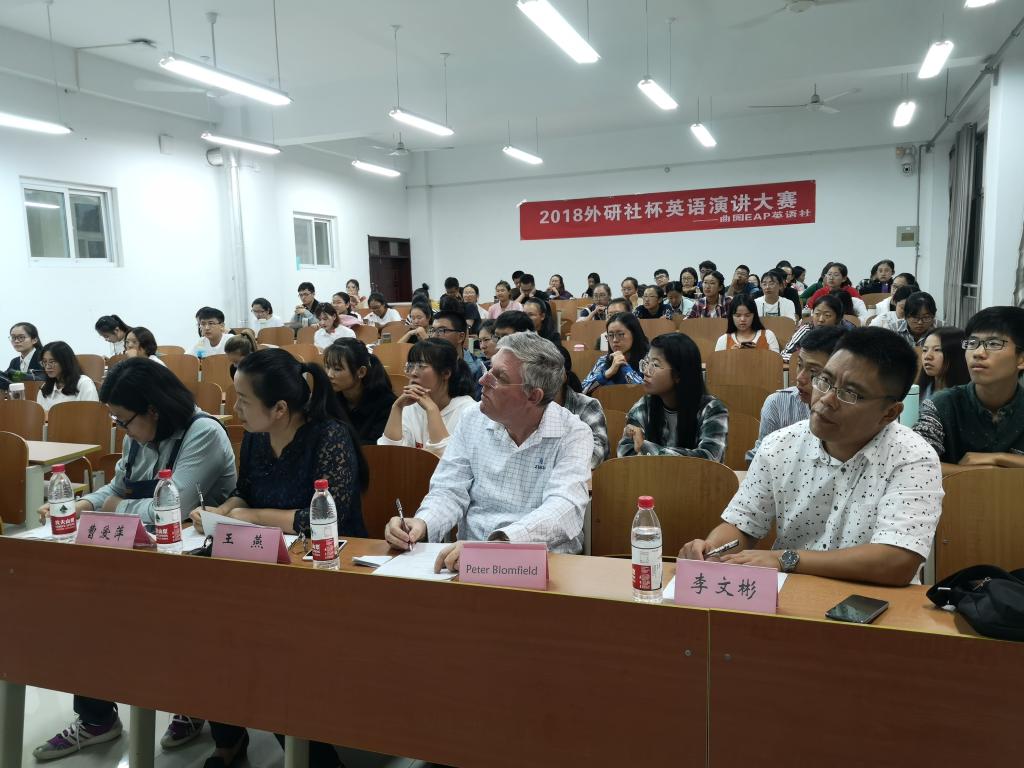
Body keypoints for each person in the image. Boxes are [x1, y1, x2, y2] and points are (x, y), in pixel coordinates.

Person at [33, 357, 236, 762]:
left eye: (124, 421)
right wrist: (81, 505)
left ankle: (196, 705)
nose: (121, 430)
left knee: (173, 623)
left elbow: (172, 508)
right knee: (86, 604)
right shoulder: (137, 436)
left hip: (200, 565)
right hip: (144, 554)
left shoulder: (203, 432)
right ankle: (96, 719)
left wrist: (111, 507)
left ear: (152, 410)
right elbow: (118, 486)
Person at [188, 349, 365, 768]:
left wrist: (252, 517)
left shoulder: (329, 436)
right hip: (264, 561)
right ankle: (228, 738)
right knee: (208, 628)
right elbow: (245, 491)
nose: (235, 408)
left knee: (270, 650)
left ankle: (312, 757)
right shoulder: (255, 435)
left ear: (280, 408)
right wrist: (222, 512)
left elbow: (327, 518)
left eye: (243, 400)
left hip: (324, 568)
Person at [680, 327, 943, 587]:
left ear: (889, 413)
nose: (826, 399)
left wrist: (787, 559)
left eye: (849, 394)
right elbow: (743, 525)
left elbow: (896, 561)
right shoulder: (779, 446)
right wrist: (712, 549)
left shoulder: (913, 459)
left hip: (875, 603)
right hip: (790, 598)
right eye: (824, 380)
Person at [383, 332, 593, 568]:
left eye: (499, 377)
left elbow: (563, 508)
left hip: (545, 562)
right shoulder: (472, 418)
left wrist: (499, 544)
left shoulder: (573, 433)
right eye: (489, 369)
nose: (483, 380)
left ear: (534, 396)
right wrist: (422, 523)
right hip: (468, 561)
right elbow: (449, 490)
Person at [913, 306, 1024, 466]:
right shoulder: (942, 405)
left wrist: (999, 458)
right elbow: (915, 464)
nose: (978, 353)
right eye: (972, 343)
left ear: (1021, 359)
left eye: (993, 343)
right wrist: (982, 472)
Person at [616, 332, 728, 462]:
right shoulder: (643, 406)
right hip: (651, 476)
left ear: (679, 374)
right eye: (646, 363)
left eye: (655, 365)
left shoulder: (712, 410)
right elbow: (625, 453)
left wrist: (646, 447)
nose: (645, 371)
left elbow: (709, 459)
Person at [746, 325, 848, 462]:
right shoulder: (777, 404)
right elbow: (757, 458)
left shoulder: (850, 411)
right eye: (799, 365)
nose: (800, 378)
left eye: (813, 371)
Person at [378, 338, 476, 456]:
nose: (413, 373)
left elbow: (447, 461)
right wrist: (397, 408)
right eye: (410, 366)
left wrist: (432, 410)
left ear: (446, 373)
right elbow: (388, 455)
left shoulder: (470, 411)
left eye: (421, 366)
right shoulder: (410, 406)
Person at [324, 338, 396, 444]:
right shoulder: (329, 398)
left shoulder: (386, 404)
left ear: (361, 372)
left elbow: (378, 447)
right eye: (327, 367)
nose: (329, 374)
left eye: (337, 369)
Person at [555, 345, 608, 469]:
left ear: (563, 376)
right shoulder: (530, 406)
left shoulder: (587, 405)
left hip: (576, 477)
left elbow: (596, 454)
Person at [581, 312, 649, 394]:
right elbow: (582, 391)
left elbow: (648, 393)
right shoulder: (603, 361)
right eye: (610, 335)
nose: (615, 340)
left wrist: (625, 368)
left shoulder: (648, 361)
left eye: (620, 334)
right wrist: (606, 374)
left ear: (634, 335)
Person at [781, 293, 852, 363]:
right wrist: (808, 359)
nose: (821, 319)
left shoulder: (845, 334)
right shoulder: (806, 330)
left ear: (838, 318)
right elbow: (784, 354)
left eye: (827, 315)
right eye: (817, 314)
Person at [35, 342, 100, 413]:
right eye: (44, 362)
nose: (47, 366)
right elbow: (40, 416)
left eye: (52, 362)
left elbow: (92, 414)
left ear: (65, 362)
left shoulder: (84, 383)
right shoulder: (45, 387)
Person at [430, 310, 486, 392]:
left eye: (441, 331)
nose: (434, 336)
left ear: (461, 337)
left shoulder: (478, 369)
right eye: (433, 330)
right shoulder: (427, 364)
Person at [918, 327, 969, 402]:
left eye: (937, 350)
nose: (927, 356)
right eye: (925, 350)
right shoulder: (921, 391)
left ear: (956, 355)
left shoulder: (966, 397)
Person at [715, 295, 780, 352]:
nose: (742, 319)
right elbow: (717, 361)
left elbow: (776, 360)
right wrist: (730, 354)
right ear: (731, 317)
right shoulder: (723, 340)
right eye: (738, 315)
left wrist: (758, 352)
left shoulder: (768, 335)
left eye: (747, 315)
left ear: (754, 315)